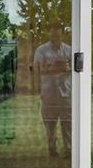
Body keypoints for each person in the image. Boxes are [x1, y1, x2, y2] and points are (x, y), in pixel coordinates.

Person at [31, 22, 72, 158]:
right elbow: (37, 69)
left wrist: (55, 68)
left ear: (62, 34)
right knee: (50, 123)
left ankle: (69, 150)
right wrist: (59, 67)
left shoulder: (69, 50)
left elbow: (77, 69)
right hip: (49, 93)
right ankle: (52, 148)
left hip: (66, 93)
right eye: (53, 34)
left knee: (68, 122)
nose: (55, 37)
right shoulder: (41, 50)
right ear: (49, 34)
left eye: (58, 35)